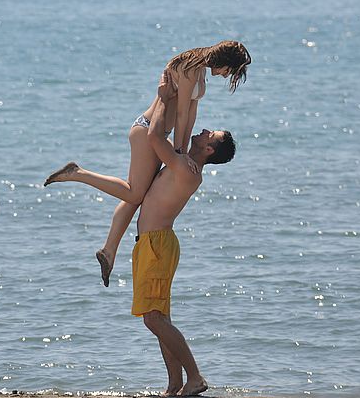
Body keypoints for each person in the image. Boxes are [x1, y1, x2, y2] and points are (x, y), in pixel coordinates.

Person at [44, 40, 250, 286]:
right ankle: (76, 173)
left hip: (158, 134)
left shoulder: (200, 70)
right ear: (224, 59)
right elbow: (181, 113)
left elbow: (191, 114)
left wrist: (182, 153)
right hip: (147, 132)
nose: (226, 75)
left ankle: (109, 251)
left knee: (139, 194)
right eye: (230, 70)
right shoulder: (189, 67)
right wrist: (179, 152)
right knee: (134, 193)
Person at [81, 71, 236, 396]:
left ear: (209, 150)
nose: (205, 131)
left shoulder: (186, 169)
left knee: (153, 319)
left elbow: (153, 139)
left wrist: (163, 98)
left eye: (210, 134)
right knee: (159, 317)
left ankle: (195, 377)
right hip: (152, 244)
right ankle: (174, 383)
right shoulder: (186, 163)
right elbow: (186, 120)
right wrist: (187, 97)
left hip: (158, 245)